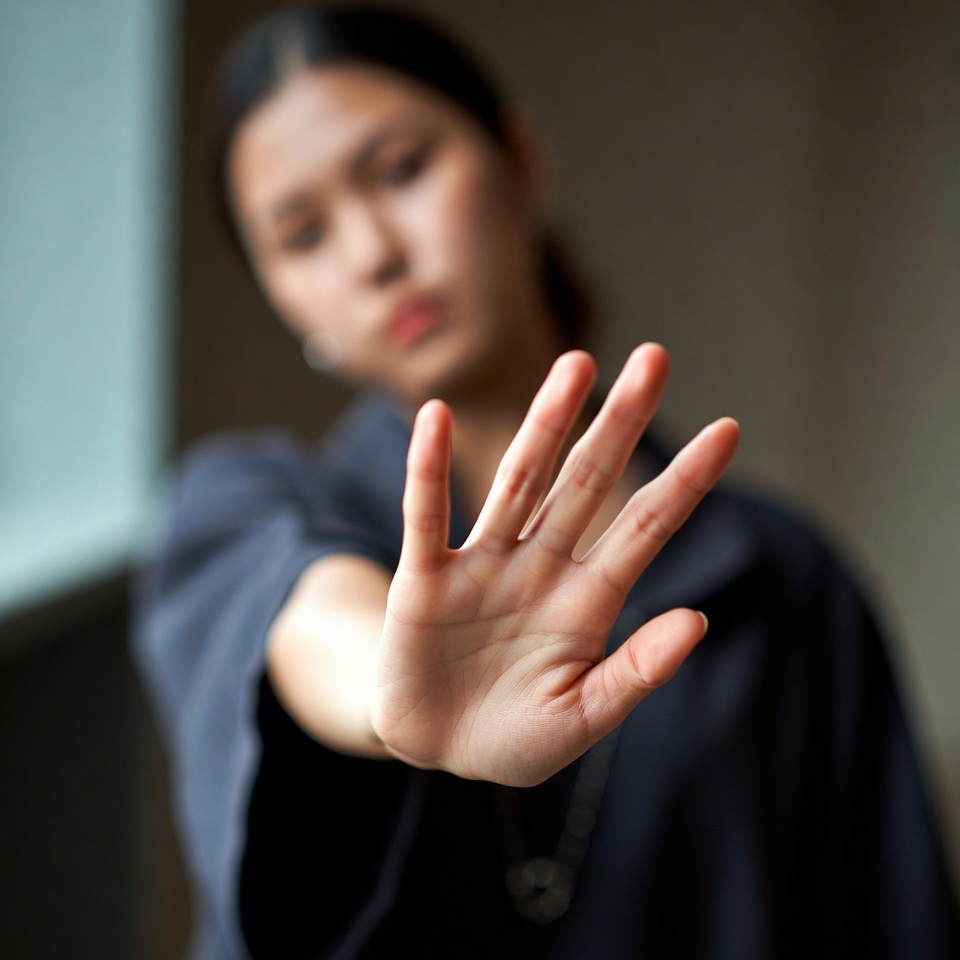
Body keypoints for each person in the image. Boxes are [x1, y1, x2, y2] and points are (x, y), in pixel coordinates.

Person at [132, 4, 960, 959]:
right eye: (302, 235)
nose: (374, 255)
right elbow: (309, 619)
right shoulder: (240, 507)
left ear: (520, 160)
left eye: (402, 170)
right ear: (283, 299)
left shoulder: (784, 579)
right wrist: (390, 695)